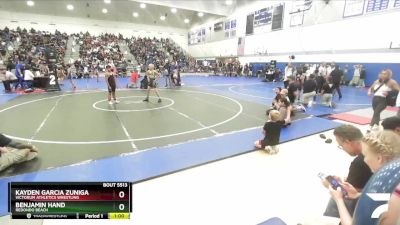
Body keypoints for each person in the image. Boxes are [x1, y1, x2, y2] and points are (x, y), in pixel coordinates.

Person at [329, 130, 400, 225]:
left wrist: (339, 200)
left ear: (379, 158)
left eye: (365, 155)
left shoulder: (381, 201)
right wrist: (357, 195)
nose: (364, 159)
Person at [321, 125, 373, 218]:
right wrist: (343, 181)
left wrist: (330, 185)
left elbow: (349, 193)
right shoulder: (374, 148)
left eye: (341, 145)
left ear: (348, 142)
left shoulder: (359, 163)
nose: (342, 149)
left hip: (369, 204)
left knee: (337, 197)